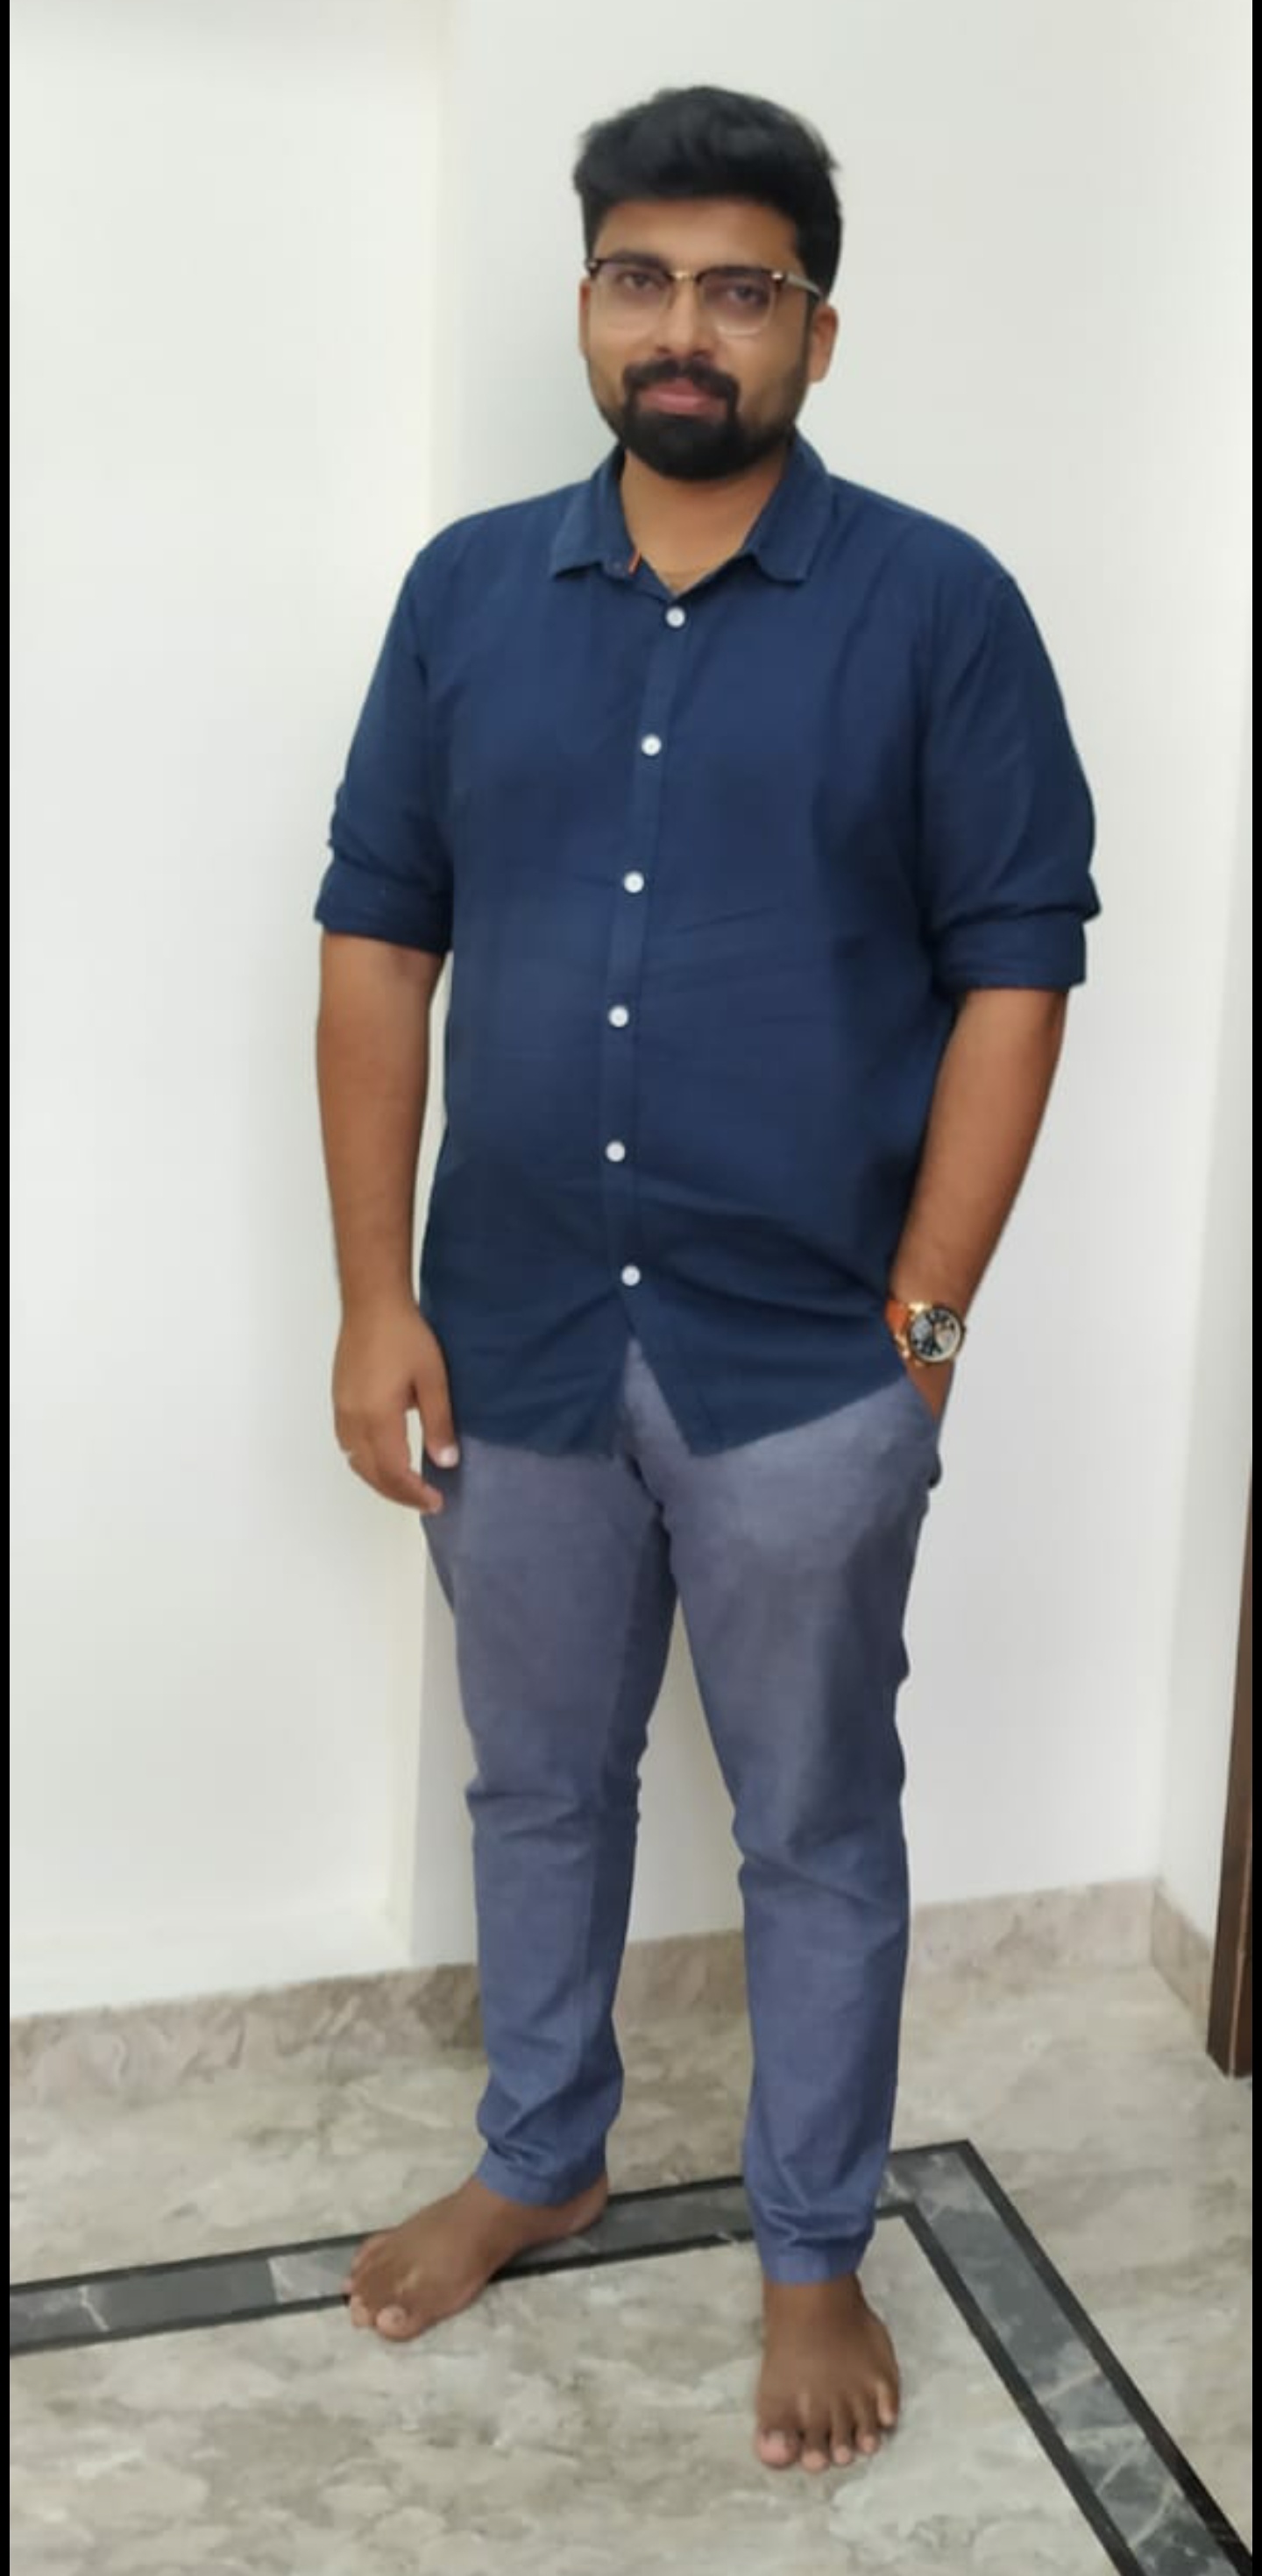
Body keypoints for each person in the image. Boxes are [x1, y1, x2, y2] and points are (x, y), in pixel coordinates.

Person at [314, 84, 1097, 2476]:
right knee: (538, 1786)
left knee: (813, 1819)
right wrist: (372, 1294)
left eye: (740, 288)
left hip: (808, 1362)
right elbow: (379, 948)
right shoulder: (466, 598)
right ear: (586, 306)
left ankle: (813, 2243)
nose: (686, 328)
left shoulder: (939, 609)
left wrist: (926, 1326)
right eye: (641, 278)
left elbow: (1018, 972)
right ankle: (542, 2150)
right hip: (514, 1326)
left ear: (815, 333)